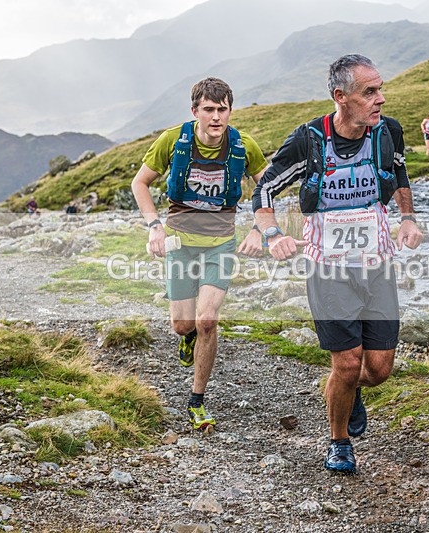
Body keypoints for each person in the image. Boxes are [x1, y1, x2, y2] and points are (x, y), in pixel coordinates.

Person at [251, 54, 423, 474]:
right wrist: (272, 234)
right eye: (370, 92)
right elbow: (264, 190)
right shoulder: (309, 139)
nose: (380, 99)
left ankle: (346, 390)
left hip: (377, 264)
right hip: (327, 269)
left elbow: (399, 175)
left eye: (380, 89)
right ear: (340, 97)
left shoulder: (388, 132)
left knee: (377, 370)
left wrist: (408, 219)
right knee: (347, 363)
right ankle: (339, 441)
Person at [131, 78, 268, 432]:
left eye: (223, 110)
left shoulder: (243, 146)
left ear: (230, 111)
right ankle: (188, 336)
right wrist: (154, 226)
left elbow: (268, 186)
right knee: (182, 325)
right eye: (209, 109)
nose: (216, 117)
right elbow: (140, 182)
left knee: (208, 320)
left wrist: (259, 228)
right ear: (195, 111)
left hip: (220, 245)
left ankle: (197, 401)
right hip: (179, 243)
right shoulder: (174, 141)